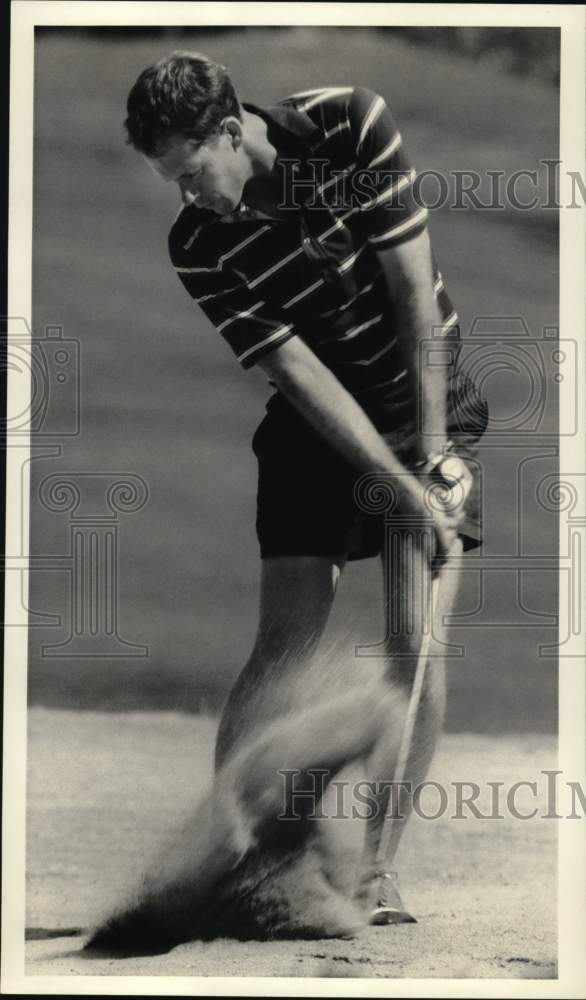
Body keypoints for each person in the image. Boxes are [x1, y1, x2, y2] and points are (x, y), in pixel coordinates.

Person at [124, 51, 489, 930]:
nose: (187, 195)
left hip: (418, 398)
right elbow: (300, 376)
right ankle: (237, 851)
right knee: (284, 643)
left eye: (191, 172)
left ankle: (369, 873)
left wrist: (428, 463)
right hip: (317, 424)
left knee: (417, 638)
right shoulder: (198, 243)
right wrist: (385, 481)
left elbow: (411, 298)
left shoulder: (347, 127)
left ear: (227, 130)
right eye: (169, 181)